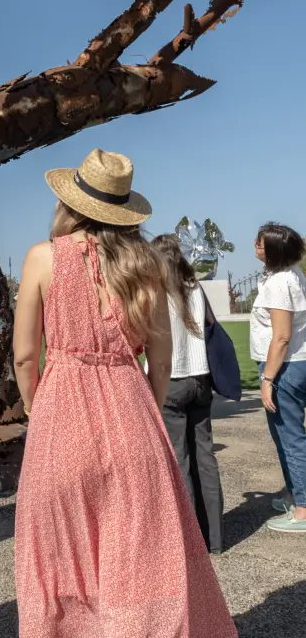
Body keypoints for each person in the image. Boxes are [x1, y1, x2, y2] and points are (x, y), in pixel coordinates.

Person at [13, 149, 236, 638]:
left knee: (61, 551)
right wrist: (142, 410)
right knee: (139, 553)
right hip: (130, 406)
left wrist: (39, 408)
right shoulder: (147, 265)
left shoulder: (41, 258)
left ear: (70, 204)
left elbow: (26, 357)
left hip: (60, 412)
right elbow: (160, 360)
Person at [152, 233, 225, 554]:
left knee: (178, 460)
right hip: (201, 379)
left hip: (172, 381)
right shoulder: (196, 288)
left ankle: (189, 541)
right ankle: (215, 538)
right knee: (205, 456)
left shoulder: (154, 290)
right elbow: (211, 326)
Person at [250, 221, 306, 533]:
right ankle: (294, 493)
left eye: (259, 244)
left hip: (284, 368)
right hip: (294, 363)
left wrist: (268, 379)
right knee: (285, 435)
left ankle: (302, 509)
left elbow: (281, 337)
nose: (255, 248)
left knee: (290, 437)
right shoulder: (291, 275)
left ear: (272, 251)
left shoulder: (278, 283)